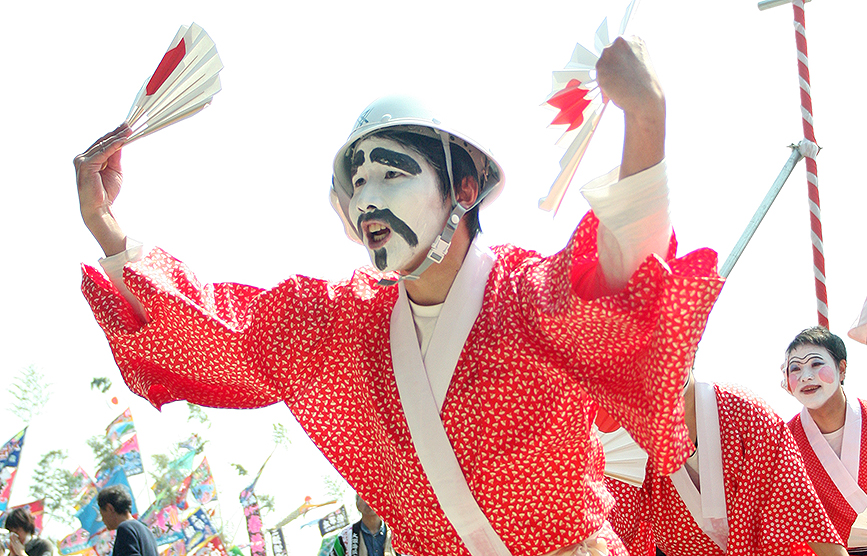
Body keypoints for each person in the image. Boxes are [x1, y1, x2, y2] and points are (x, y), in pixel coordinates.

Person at [75, 37, 724, 556]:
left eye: (391, 174)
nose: (368, 201)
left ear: (463, 187)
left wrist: (645, 119)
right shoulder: (340, 323)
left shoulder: (533, 296)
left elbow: (625, 276)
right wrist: (109, 231)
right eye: (355, 185)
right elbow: (219, 329)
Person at [608, 369, 846, 556]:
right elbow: (616, 526)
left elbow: (803, 513)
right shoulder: (630, 443)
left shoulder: (748, 413)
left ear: (691, 347)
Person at [784, 326, 867, 554]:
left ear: (842, 369)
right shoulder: (784, 443)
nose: (806, 376)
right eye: (795, 369)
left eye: (816, 364)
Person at [97, 485, 158, 556]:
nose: (103, 520)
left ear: (110, 508)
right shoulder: (146, 531)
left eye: (102, 515)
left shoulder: (125, 528)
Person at [330, 495, 402, 556]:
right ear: (357, 504)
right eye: (364, 495)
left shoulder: (399, 535)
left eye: (374, 495)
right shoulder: (345, 537)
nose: (369, 500)